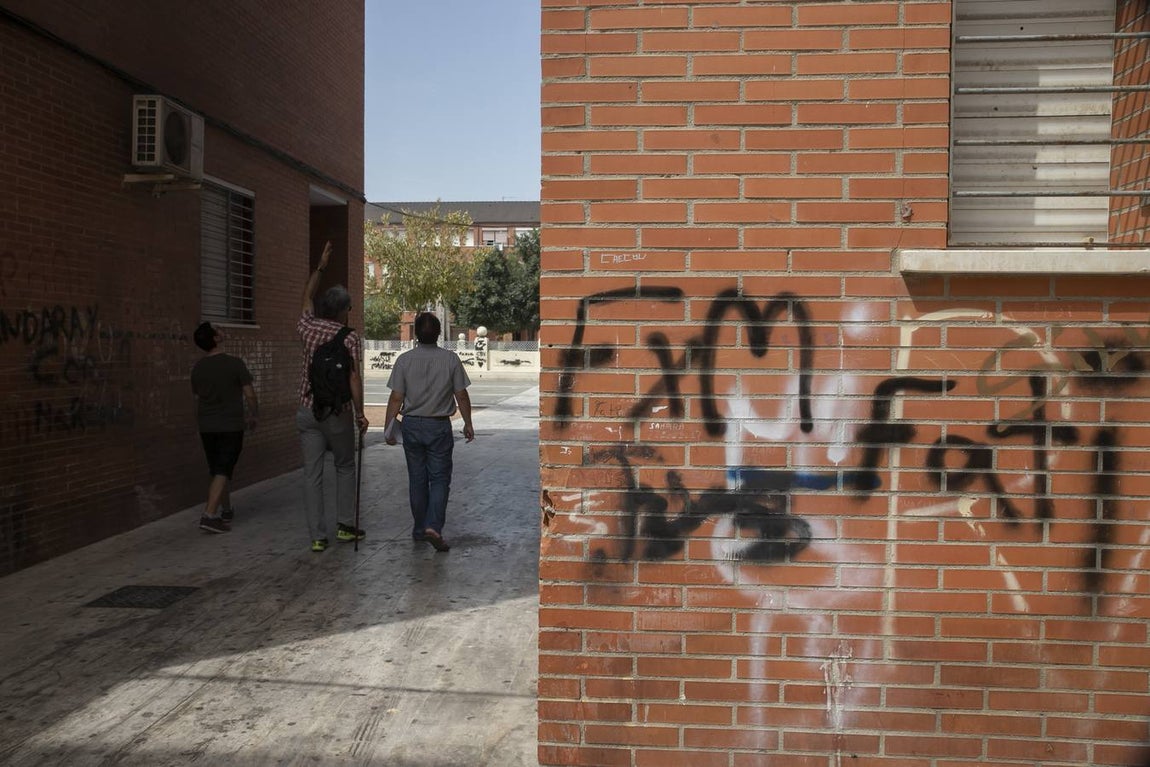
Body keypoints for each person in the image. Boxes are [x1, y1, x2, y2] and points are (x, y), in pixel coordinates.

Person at [297, 241, 369, 552]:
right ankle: (344, 526)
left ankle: (317, 536)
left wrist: (321, 266)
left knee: (312, 474)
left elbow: (306, 296)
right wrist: (359, 413)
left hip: (307, 410)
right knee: (344, 466)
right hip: (337, 413)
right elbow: (353, 377)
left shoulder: (307, 327)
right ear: (342, 310)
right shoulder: (349, 337)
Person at [383, 312, 474, 552]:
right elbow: (461, 394)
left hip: (411, 424)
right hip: (439, 425)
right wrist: (468, 422)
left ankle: (419, 528)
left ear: (415, 333)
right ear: (438, 333)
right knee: (440, 478)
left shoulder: (404, 360)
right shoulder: (451, 359)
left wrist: (388, 426)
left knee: (417, 479)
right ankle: (434, 525)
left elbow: (396, 397)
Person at [191, 321, 258, 534]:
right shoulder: (235, 364)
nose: (222, 330)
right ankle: (209, 515)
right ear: (216, 338)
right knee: (223, 469)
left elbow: (196, 399)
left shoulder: (198, 368)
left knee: (219, 470)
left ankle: (226, 510)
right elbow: (249, 394)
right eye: (218, 330)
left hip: (207, 426)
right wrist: (253, 415)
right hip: (230, 425)